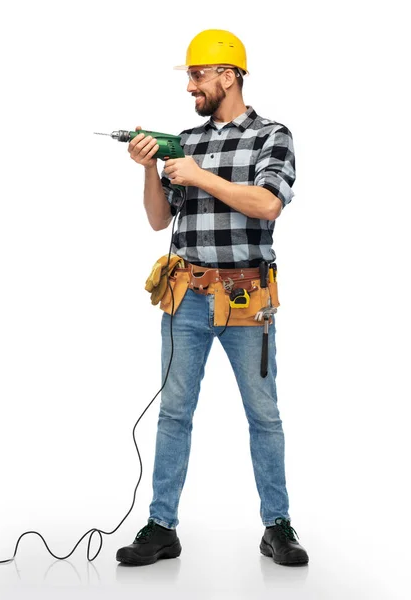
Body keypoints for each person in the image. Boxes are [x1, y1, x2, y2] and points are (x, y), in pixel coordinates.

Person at [116, 29, 309, 567]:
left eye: (197, 76)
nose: (191, 87)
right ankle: (161, 526)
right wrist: (152, 170)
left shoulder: (273, 136)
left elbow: (268, 204)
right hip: (186, 299)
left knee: (263, 415)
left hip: (248, 301)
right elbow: (159, 220)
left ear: (229, 76)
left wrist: (201, 175)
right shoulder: (185, 140)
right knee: (174, 414)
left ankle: (278, 526)